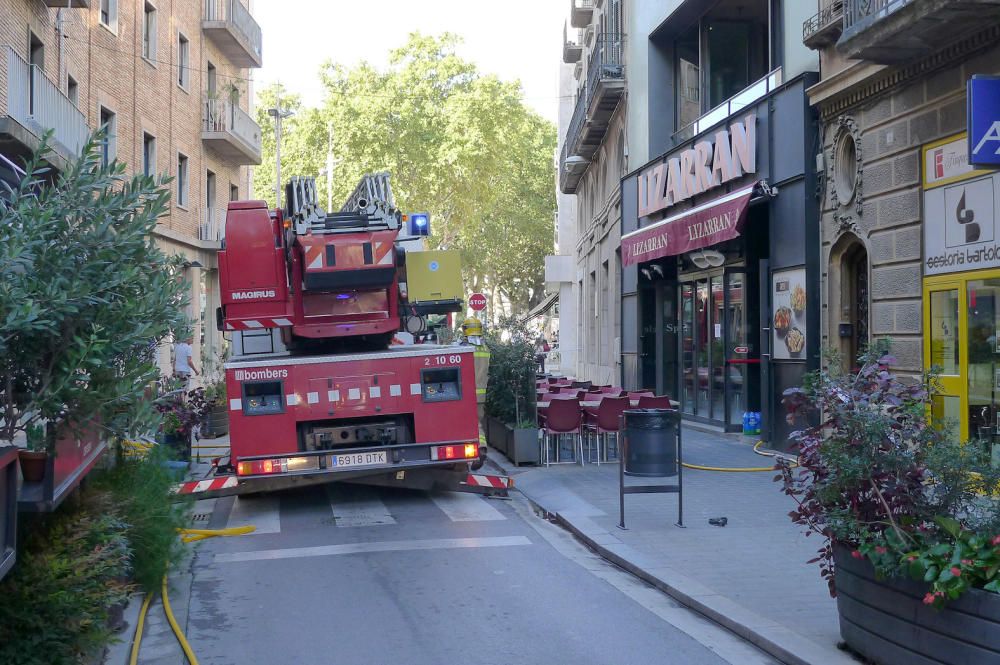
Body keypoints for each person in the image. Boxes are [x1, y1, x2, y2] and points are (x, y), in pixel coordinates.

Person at [462, 316, 490, 470]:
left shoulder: (465, 349)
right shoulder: (485, 349)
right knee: (477, 422)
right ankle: (478, 449)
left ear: (466, 330)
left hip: (467, 394)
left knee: (472, 424)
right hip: (481, 394)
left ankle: (480, 449)